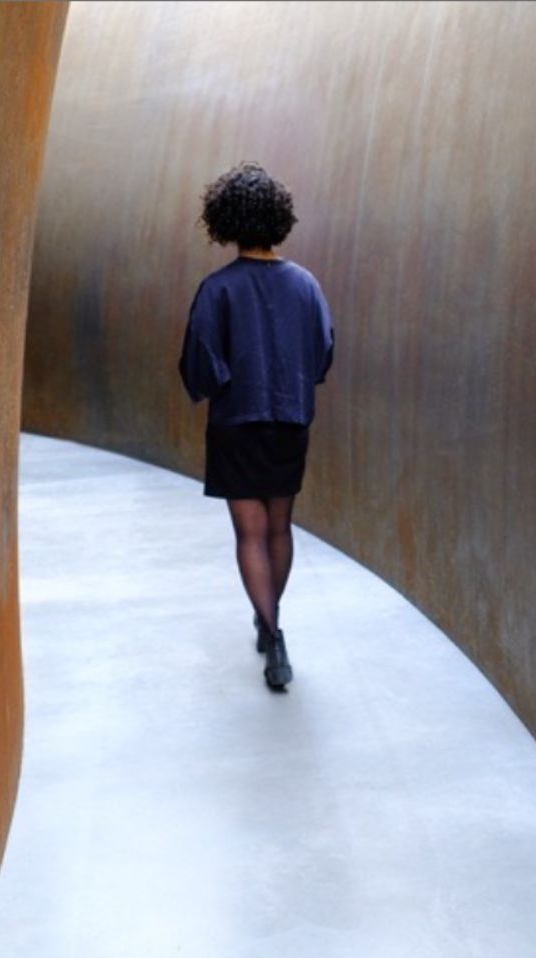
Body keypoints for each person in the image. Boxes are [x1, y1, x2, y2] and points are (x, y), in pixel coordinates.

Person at [178, 163, 334, 692]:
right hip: (289, 421)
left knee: (249, 533)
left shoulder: (218, 289)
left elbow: (202, 362)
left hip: (236, 423)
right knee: (279, 528)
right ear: (278, 218)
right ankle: (272, 626)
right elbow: (322, 352)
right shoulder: (306, 285)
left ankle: (270, 627)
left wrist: (220, 385)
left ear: (226, 222)